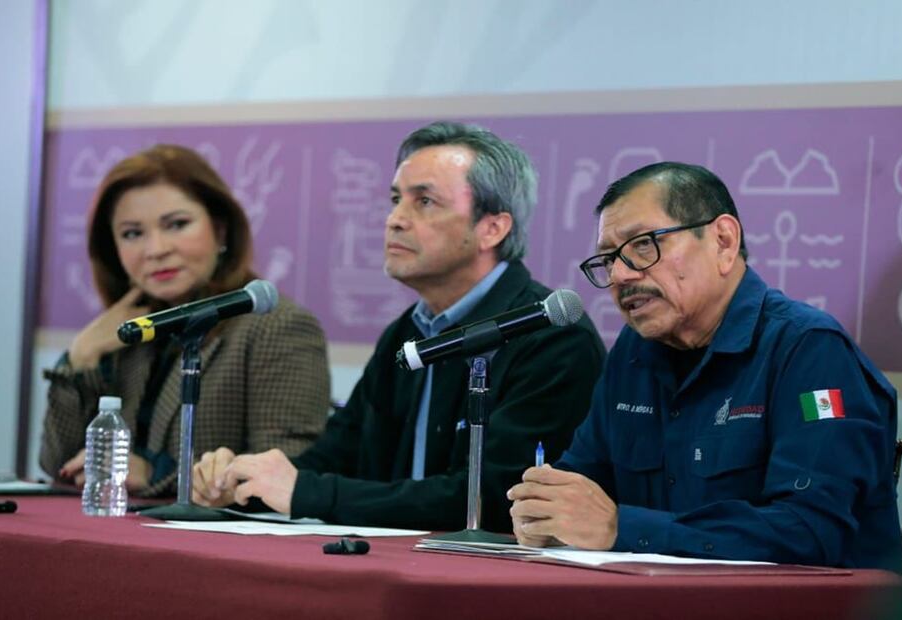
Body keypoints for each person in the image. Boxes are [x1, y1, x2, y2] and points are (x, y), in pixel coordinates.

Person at [191, 121, 606, 532]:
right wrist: (247, 481)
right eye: (395, 200)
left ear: (491, 228)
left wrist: (306, 492)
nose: (394, 220)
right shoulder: (408, 331)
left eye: (424, 202)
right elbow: (338, 456)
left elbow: (497, 498)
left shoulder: (549, 335)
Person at [508, 162, 902, 572]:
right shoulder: (633, 352)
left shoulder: (809, 350)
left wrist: (621, 527)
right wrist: (546, 512)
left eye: (643, 244)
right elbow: (581, 479)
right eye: (608, 259)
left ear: (723, 241)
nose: (621, 275)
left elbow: (810, 531)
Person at [40, 144, 330, 497]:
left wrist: (154, 475)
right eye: (133, 233)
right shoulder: (128, 331)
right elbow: (56, 464)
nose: (156, 249)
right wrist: (81, 357)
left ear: (220, 230)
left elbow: (287, 471)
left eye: (177, 224)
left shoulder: (278, 327)